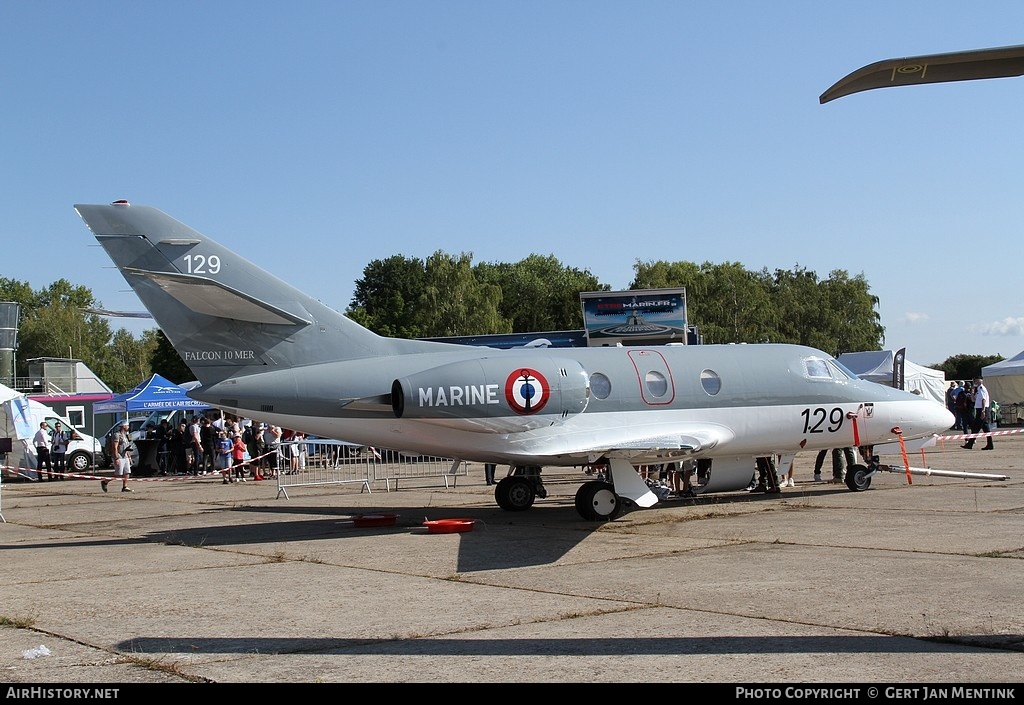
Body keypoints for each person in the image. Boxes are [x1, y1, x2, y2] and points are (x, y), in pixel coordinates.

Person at [961, 376, 994, 450]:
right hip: (979, 409)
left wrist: (983, 411)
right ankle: (990, 444)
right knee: (986, 429)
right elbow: (973, 400)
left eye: (977, 380)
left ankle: (970, 444)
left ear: (980, 381)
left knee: (975, 428)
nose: (975, 381)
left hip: (982, 409)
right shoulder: (978, 389)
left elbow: (983, 400)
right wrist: (972, 391)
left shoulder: (982, 389)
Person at [102, 420, 134, 493]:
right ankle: (105, 482)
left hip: (125, 456)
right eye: (127, 425)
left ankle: (125, 487)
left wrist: (129, 457)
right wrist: (116, 458)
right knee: (118, 474)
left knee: (127, 472)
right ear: (123, 426)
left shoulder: (127, 435)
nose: (128, 427)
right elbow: (115, 447)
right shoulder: (116, 435)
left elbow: (127, 447)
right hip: (119, 456)